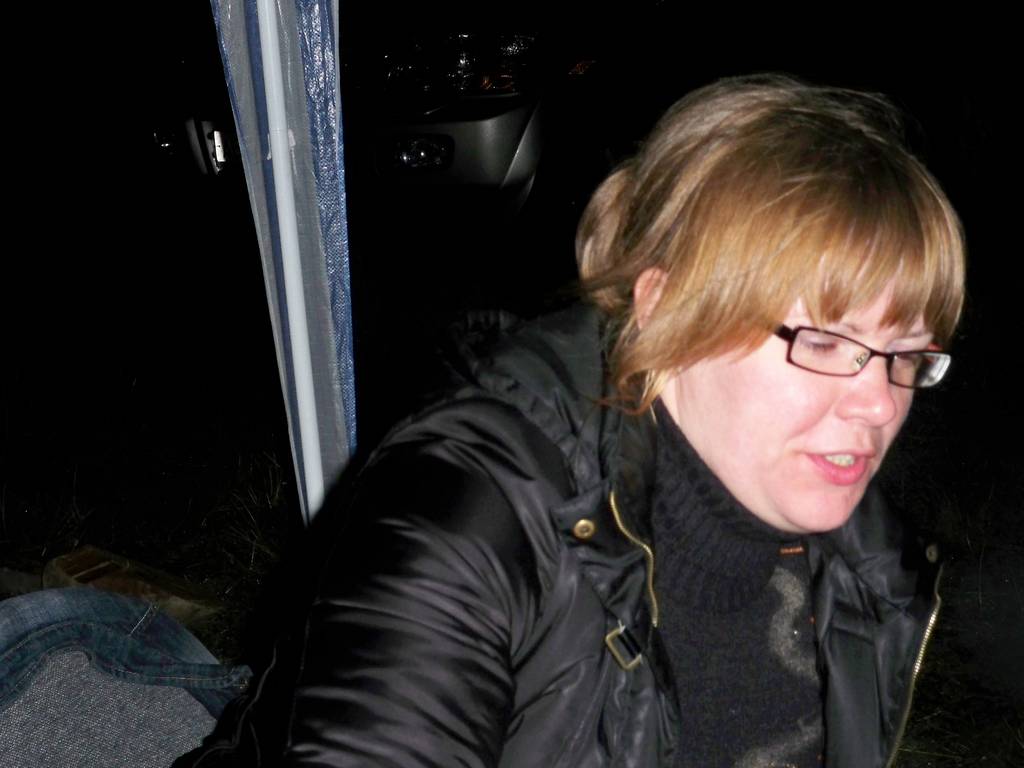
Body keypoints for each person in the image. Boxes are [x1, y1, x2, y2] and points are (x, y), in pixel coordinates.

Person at [189, 74, 965, 768]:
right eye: (824, 342)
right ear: (666, 310)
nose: (878, 405)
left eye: (906, 356)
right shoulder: (472, 505)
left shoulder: (860, 559)